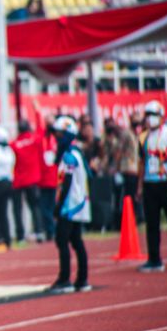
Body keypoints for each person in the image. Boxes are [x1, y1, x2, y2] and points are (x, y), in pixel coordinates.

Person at [49, 116, 91, 293]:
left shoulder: (69, 156)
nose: (56, 138)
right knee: (76, 241)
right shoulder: (76, 153)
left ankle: (65, 278)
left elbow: (66, 183)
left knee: (62, 239)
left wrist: (58, 206)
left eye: (59, 134)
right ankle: (81, 279)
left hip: (71, 204)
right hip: (77, 202)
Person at [137, 101, 167, 272]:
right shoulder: (143, 137)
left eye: (152, 115)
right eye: (147, 115)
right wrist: (140, 186)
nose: (149, 119)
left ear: (161, 116)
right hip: (150, 183)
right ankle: (154, 259)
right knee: (152, 223)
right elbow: (142, 162)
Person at [10, 119, 44, 243]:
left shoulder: (14, 144)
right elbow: (41, 131)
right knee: (34, 206)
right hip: (32, 179)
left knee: (17, 209)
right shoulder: (35, 139)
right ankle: (39, 231)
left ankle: (20, 235)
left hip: (18, 180)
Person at [38, 115, 59, 241]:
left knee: (51, 207)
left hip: (54, 179)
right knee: (45, 207)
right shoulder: (42, 139)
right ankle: (50, 230)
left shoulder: (57, 140)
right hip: (43, 179)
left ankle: (52, 230)